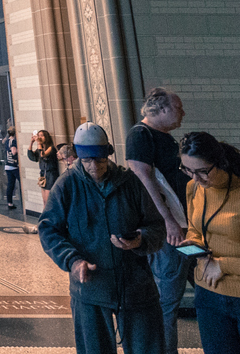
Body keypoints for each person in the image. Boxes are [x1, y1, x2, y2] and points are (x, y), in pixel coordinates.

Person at [38, 122, 164, 354]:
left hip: (135, 285)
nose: (94, 166)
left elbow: (156, 226)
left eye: (99, 160)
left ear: (108, 154)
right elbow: (48, 230)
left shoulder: (130, 183)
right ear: (78, 158)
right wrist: (72, 261)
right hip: (90, 287)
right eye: (87, 161)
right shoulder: (66, 185)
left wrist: (140, 239)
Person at [179, 131, 240, 354]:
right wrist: (195, 247)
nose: (195, 178)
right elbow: (195, 228)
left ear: (220, 162)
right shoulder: (193, 188)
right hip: (208, 294)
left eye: (202, 171)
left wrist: (222, 265)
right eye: (187, 170)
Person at [126, 88, 191, 354]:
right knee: (167, 302)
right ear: (161, 109)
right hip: (170, 229)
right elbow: (146, 180)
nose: (183, 113)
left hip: (183, 225)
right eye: (178, 107)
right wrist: (168, 222)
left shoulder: (162, 136)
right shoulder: (141, 135)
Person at [28, 129, 60, 206]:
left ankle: (49, 216)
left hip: (51, 174)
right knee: (44, 201)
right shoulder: (40, 149)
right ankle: (45, 217)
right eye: (38, 136)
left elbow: (43, 155)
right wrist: (31, 143)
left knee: (48, 200)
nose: (40, 137)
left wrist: (38, 143)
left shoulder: (51, 148)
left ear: (46, 137)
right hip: (43, 174)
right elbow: (32, 157)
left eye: (42, 136)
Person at [4, 126, 20, 210]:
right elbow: (13, 152)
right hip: (13, 165)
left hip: (7, 165)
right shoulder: (13, 141)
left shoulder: (7, 141)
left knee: (10, 184)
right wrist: (19, 150)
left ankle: (9, 202)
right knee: (20, 181)